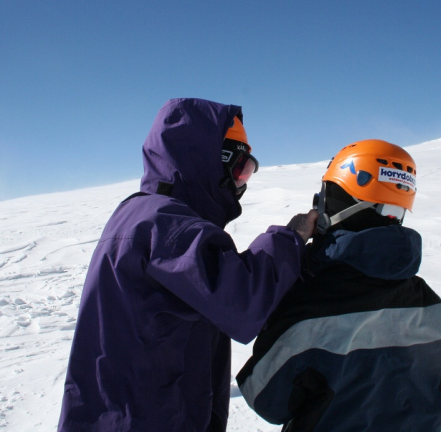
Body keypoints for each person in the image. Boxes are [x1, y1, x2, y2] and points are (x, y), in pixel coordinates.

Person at [57, 98, 318, 432]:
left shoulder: (145, 215)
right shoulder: (163, 223)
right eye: (240, 168)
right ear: (207, 162)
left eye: (248, 172)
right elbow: (242, 301)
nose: (242, 184)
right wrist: (292, 238)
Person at [237, 139, 441, 431]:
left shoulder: (310, 306)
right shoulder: (432, 305)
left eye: (325, 195)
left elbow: (265, 398)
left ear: (336, 202)